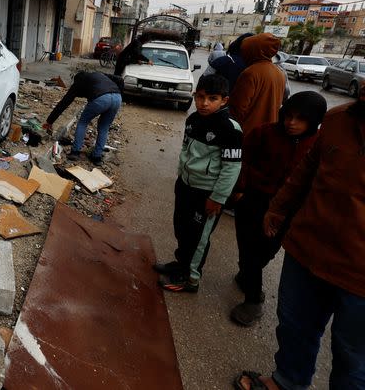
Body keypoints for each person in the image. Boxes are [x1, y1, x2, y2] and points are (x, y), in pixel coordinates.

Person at [236, 80, 365, 390]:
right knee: (295, 326)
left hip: (359, 275)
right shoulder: (338, 120)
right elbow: (306, 171)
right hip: (307, 250)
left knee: (353, 358)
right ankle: (287, 381)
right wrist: (278, 207)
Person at [230, 91, 327, 327]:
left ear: (313, 121)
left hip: (287, 210)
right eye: (289, 116)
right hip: (253, 200)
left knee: (266, 251)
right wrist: (240, 190)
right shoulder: (264, 133)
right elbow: (242, 160)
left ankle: (248, 275)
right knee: (249, 250)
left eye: (300, 119)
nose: (291, 123)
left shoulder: (318, 145)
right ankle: (253, 299)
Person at [154, 74, 243, 293]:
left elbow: (232, 168)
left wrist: (217, 198)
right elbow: (185, 149)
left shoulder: (231, 130)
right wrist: (180, 176)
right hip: (185, 186)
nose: (204, 103)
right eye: (200, 97)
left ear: (224, 100)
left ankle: (190, 278)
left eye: (212, 98)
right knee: (182, 228)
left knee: (198, 236)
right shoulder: (192, 120)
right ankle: (181, 264)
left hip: (207, 194)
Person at [42, 71, 122, 165]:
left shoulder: (79, 82)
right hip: (117, 98)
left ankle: (75, 152)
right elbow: (120, 79)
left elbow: (64, 103)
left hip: (101, 98)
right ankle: (96, 157)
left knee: (83, 122)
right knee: (104, 127)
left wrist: (50, 121)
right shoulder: (99, 75)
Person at [228, 33, 285, 136]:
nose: (243, 54)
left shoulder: (251, 73)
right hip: (269, 131)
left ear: (254, 51)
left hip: (249, 131)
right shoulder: (279, 73)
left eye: (245, 50)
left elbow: (238, 108)